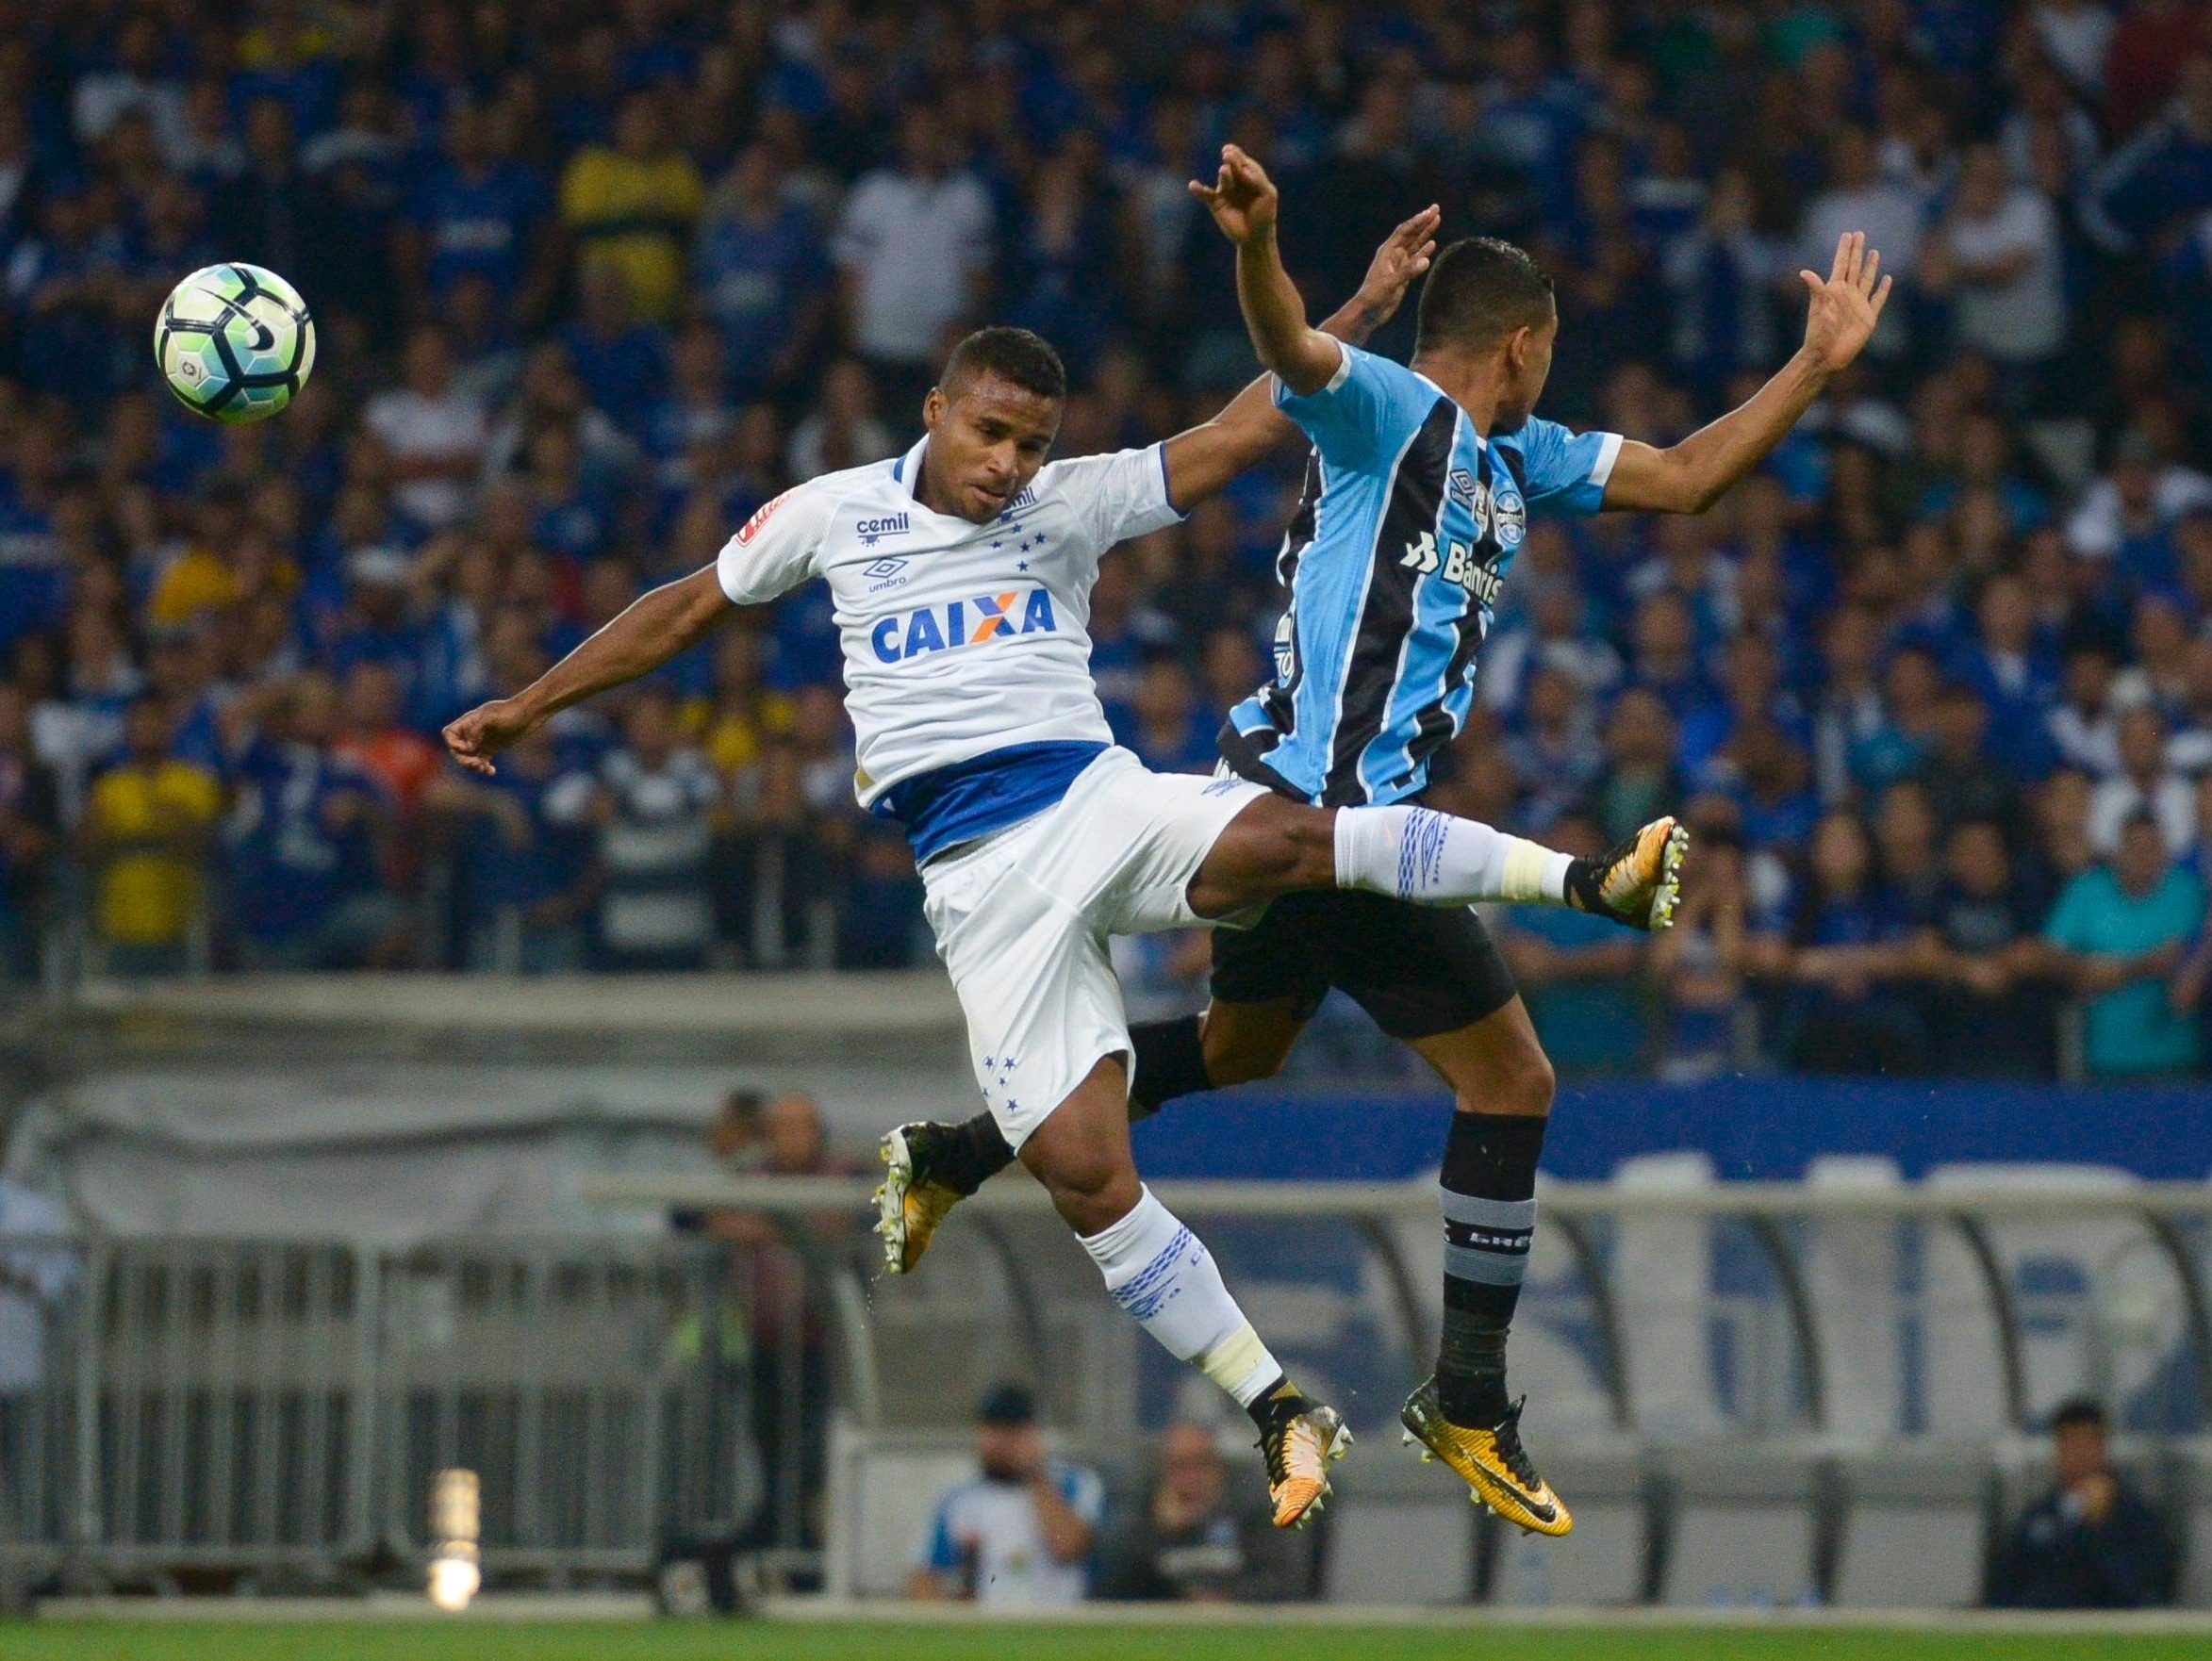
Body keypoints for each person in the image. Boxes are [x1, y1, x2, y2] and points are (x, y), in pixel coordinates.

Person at [442, 218, 1682, 1529]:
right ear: (937, 409)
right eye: (988, 433)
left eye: (1030, 442)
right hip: (974, 881)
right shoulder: (833, 511)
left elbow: (1253, 425)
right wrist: (533, 701)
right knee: (1089, 1171)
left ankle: (1584, 880)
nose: (1007, 464)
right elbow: (686, 605)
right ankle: (1276, 1407)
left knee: (1284, 835)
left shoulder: (1070, 501)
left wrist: (1354, 300)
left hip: (1089, 801)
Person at [886, 145, 1888, 1538]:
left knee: (1240, 1049)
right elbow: (1292, 348)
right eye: (1547, 355)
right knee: (1513, 1080)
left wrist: (1815, 363)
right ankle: (1466, 1397)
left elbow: (1685, 475)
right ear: (1523, 345)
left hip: (1304, 819)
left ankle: (956, 1146)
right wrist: (1259, 244)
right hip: (1322, 823)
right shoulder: (1390, 414)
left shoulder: (1516, 456)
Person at [908, 1383, 1101, 1606]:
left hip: (1057, 1624)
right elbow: (923, 1576)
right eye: (995, 1431)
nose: (1004, 1443)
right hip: (985, 1629)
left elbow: (1069, 1546)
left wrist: (1032, 1472)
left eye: (1013, 1432)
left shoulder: (1076, 1484)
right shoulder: (958, 1501)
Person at [1989, 1398, 2174, 1609]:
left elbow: (2140, 1589)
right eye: (2070, 1443)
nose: (2079, 1454)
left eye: (2088, 1444)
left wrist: (2097, 1526)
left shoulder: (2137, 1517)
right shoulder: (2037, 1516)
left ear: (2103, 1447)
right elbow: (2004, 1585)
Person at [1096, 1422, 1310, 1603]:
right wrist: (1161, 1532)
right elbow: (1115, 1593)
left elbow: (1282, 1584)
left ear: (1218, 1468)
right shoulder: (1146, 1515)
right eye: (1179, 1466)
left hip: (1236, 1628)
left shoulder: (1249, 1513)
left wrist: (1224, 1602)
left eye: (1201, 1464)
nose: (1191, 1477)